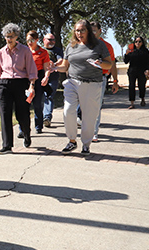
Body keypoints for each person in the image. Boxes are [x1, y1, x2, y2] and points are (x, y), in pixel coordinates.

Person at [48, 19, 113, 156]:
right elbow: (65, 66)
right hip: (72, 82)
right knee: (68, 111)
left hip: (92, 84)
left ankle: (86, 144)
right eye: (77, 30)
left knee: (89, 117)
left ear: (88, 31)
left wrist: (100, 63)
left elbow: (109, 64)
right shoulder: (71, 46)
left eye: (82, 30)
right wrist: (55, 68)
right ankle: (72, 141)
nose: (79, 33)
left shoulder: (99, 45)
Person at [0, 23, 38, 154]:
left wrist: (32, 86)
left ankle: (26, 133)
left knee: (22, 114)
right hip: (4, 84)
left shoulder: (25, 51)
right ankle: (7, 145)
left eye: (12, 36)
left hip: (21, 83)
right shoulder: (0, 53)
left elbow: (32, 71)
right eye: (7, 36)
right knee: (5, 114)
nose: (9, 39)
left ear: (17, 36)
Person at [87, 21, 119, 141]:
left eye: (94, 31)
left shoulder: (107, 46)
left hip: (101, 77)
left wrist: (115, 81)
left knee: (96, 105)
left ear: (100, 31)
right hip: (85, 77)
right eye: (90, 31)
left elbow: (112, 64)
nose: (92, 33)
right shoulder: (84, 45)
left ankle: (93, 132)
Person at [25, 30, 50, 135]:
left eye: (32, 40)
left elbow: (46, 68)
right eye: (27, 40)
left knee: (37, 103)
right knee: (24, 104)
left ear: (37, 40)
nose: (29, 43)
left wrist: (46, 77)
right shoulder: (24, 51)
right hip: (26, 78)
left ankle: (38, 126)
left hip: (38, 77)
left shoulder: (43, 52)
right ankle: (23, 128)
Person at [124, 36, 149, 109]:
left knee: (141, 86)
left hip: (142, 71)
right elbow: (126, 61)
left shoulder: (145, 51)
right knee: (131, 86)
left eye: (139, 41)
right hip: (132, 71)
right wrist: (126, 54)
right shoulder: (131, 50)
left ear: (142, 43)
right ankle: (132, 103)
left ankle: (142, 99)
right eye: (136, 41)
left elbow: (148, 61)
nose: (137, 43)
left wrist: (148, 70)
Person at [42, 33, 63, 128]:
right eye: (49, 40)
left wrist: (54, 64)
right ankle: (40, 118)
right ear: (44, 40)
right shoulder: (40, 50)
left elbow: (61, 60)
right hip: (40, 77)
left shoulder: (57, 50)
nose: (52, 42)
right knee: (40, 98)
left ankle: (47, 117)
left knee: (48, 96)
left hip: (53, 78)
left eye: (53, 40)